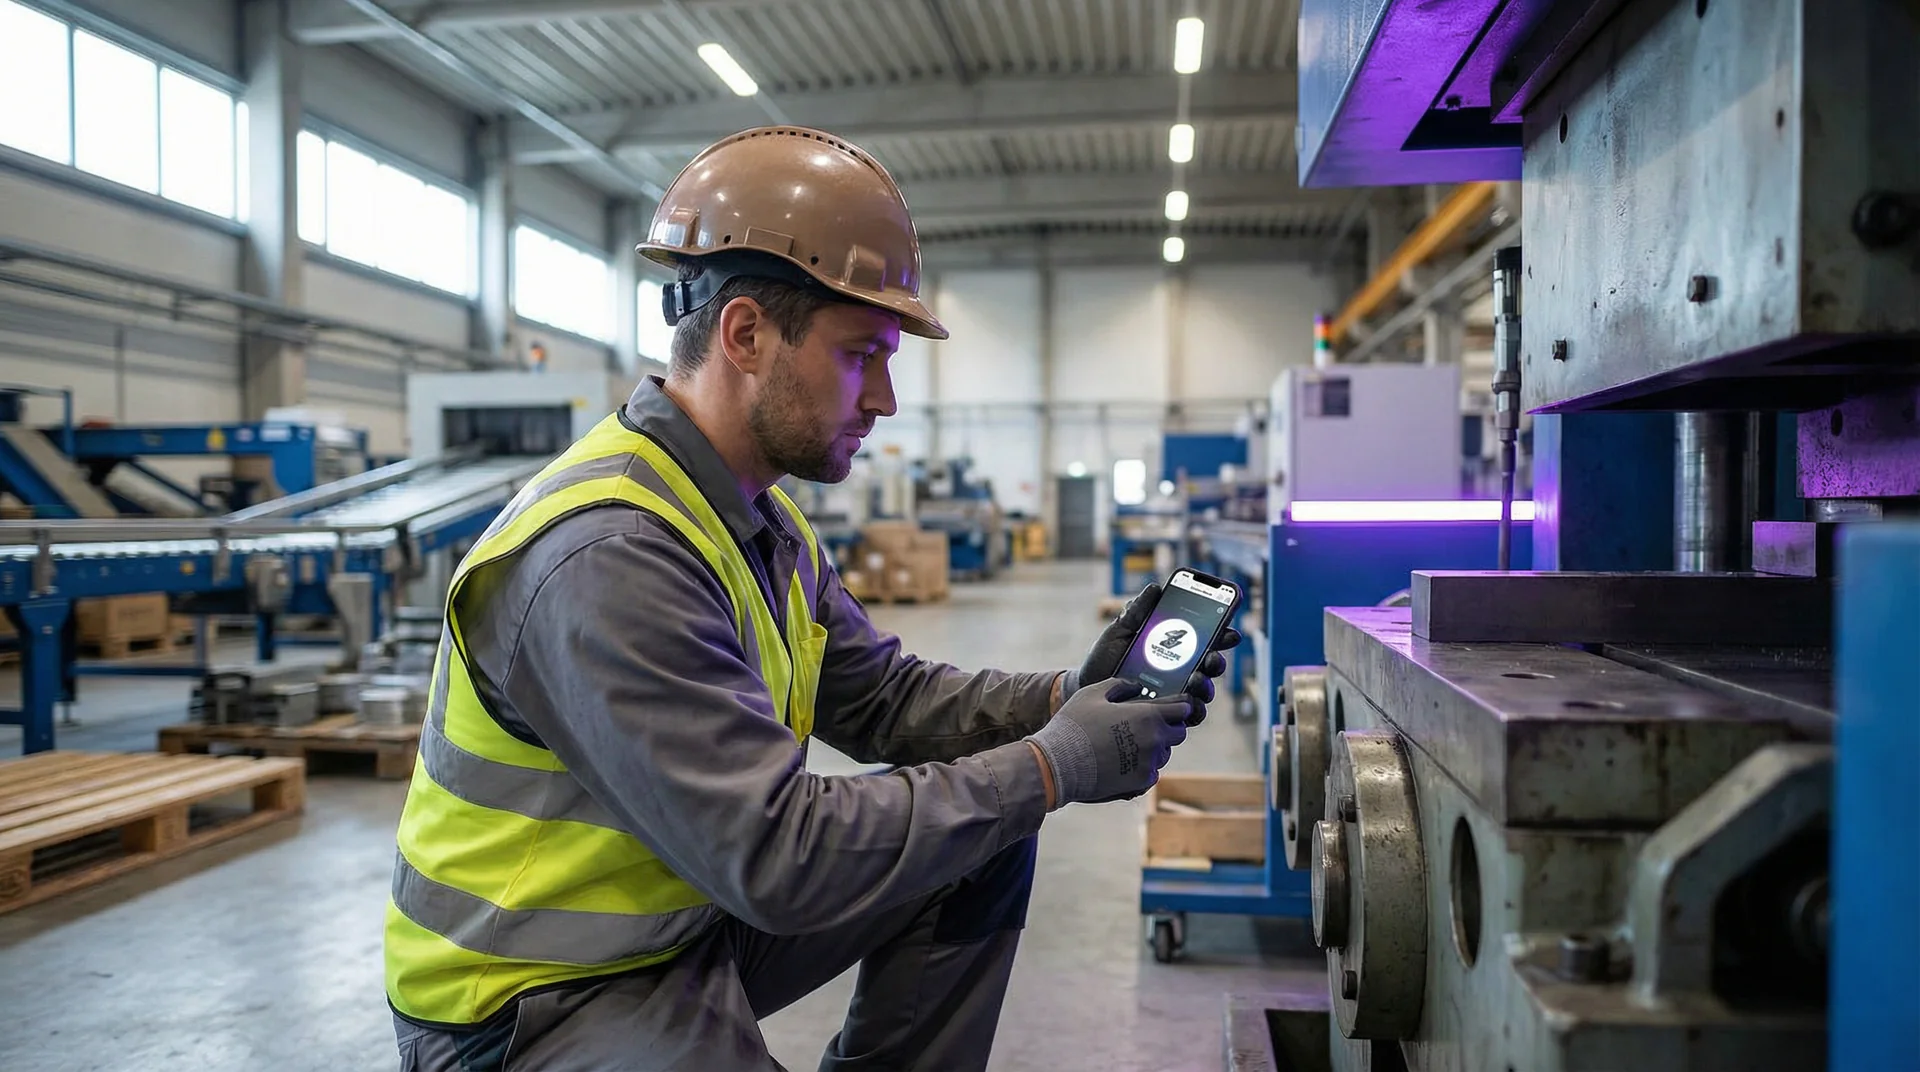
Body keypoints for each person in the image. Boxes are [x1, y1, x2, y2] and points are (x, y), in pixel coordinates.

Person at [383, 126, 1240, 1072]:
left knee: (981, 845)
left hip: (679, 927)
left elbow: (885, 701)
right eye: (858, 355)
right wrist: (1050, 767)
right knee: (998, 804)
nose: (884, 399)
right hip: (531, 996)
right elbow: (778, 859)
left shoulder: (757, 522)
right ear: (747, 334)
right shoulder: (608, 556)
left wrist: (1063, 698)